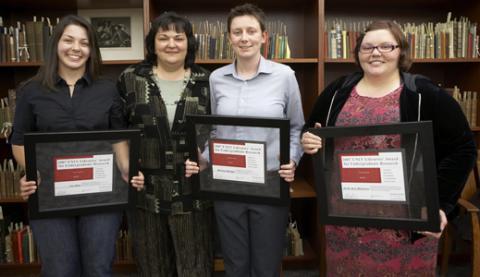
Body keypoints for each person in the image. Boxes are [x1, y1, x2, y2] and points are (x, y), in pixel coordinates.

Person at [301, 20, 477, 276]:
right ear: (358, 52)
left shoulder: (424, 94)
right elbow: (311, 129)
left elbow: (463, 149)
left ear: (401, 51)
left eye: (386, 46)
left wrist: (440, 205)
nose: (375, 53)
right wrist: (310, 140)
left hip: (406, 222)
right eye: (368, 47)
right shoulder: (337, 91)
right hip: (346, 219)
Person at [10, 14, 144, 277]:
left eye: (84, 43)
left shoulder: (107, 89)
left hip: (102, 192)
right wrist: (32, 171)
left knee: (98, 267)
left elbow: (118, 137)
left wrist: (128, 169)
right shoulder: (31, 90)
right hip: (50, 194)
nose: (76, 48)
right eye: (68, 40)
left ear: (92, 49)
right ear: (55, 44)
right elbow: (19, 142)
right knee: (60, 269)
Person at [185, 3, 304, 277]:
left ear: (264, 36)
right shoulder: (216, 79)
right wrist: (204, 159)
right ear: (229, 38)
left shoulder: (284, 76)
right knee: (235, 263)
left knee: (266, 264)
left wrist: (293, 160)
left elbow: (297, 127)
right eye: (237, 32)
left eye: (251, 31)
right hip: (227, 181)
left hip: (270, 181)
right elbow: (214, 130)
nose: (244, 37)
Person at [117, 12, 214, 277]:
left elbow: (218, 132)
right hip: (146, 193)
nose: (171, 44)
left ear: (189, 43)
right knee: (153, 266)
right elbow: (116, 128)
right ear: (153, 43)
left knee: (196, 267)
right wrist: (125, 166)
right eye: (163, 37)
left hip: (193, 194)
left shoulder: (207, 82)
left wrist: (207, 160)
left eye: (178, 38)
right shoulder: (131, 78)